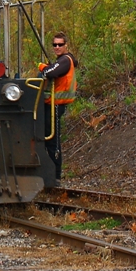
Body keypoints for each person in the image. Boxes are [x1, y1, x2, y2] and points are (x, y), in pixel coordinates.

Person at [38, 32, 77, 179]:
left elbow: (50, 72)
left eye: (60, 44)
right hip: (51, 105)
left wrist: (42, 67)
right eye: (55, 44)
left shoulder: (65, 61)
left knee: (52, 140)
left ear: (66, 45)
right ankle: (50, 174)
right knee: (48, 139)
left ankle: (55, 175)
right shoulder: (61, 60)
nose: (57, 47)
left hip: (56, 105)